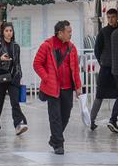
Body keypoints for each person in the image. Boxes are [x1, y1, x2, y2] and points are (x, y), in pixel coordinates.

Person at [34, 20, 83, 153]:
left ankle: (54, 139)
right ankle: (59, 145)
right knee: (55, 116)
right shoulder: (47, 46)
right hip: (52, 88)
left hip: (67, 87)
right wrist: (47, 78)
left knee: (66, 115)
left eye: (71, 32)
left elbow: (75, 69)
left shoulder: (71, 48)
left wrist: (78, 87)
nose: (70, 34)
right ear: (60, 33)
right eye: (69, 32)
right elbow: (37, 64)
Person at [0, 23, 26, 134]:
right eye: (7, 30)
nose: (9, 33)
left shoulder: (16, 46)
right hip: (0, 76)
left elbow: (17, 63)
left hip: (13, 77)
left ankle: (19, 124)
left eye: (11, 31)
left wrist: (19, 75)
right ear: (3, 32)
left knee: (15, 102)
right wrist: (0, 58)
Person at [90, 9, 118, 129]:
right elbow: (97, 49)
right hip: (106, 67)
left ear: (117, 17)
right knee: (100, 94)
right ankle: (91, 120)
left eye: (113, 17)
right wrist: (102, 61)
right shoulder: (103, 32)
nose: (111, 19)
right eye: (108, 17)